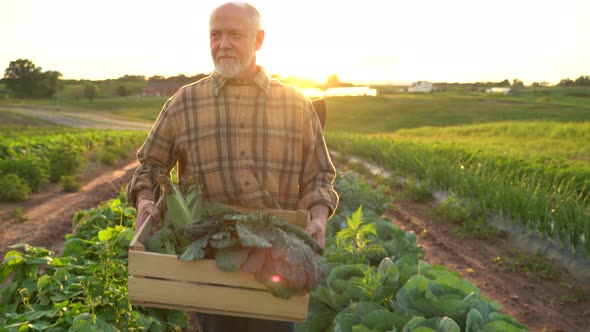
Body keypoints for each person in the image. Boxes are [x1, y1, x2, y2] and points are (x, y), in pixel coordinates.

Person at [125, 1, 338, 331]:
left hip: (277, 257)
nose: (222, 44)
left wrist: (320, 218)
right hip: (209, 260)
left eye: (234, 35)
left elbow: (319, 176)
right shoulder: (184, 103)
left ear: (258, 40)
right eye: (215, 35)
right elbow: (150, 165)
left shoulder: (295, 104)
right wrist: (145, 200)